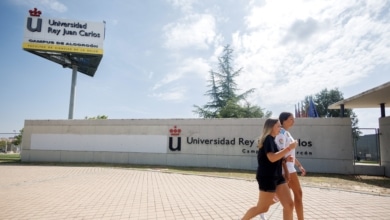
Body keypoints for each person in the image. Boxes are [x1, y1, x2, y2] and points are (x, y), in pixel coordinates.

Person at [241, 118, 298, 220]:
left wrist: (284, 160)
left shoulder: (273, 140)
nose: (280, 128)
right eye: (278, 126)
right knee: (262, 208)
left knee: (289, 205)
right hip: (268, 177)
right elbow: (271, 158)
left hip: (278, 176)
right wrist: (289, 148)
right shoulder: (268, 139)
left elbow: (274, 158)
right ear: (271, 127)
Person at [275, 112, 307, 220]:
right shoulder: (281, 133)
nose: (293, 121)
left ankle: (259, 209)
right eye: (291, 119)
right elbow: (280, 153)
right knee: (298, 195)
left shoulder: (287, 134)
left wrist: (299, 166)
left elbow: (290, 154)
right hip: (286, 169)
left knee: (284, 200)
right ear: (283, 121)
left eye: (293, 119)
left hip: (290, 167)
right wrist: (286, 170)